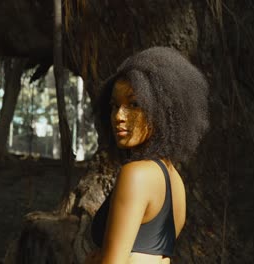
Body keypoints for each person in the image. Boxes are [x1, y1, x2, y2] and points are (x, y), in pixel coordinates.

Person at [85, 47, 209, 264]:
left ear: (161, 110)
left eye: (134, 104)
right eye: (115, 105)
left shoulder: (137, 174)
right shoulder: (174, 180)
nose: (119, 117)